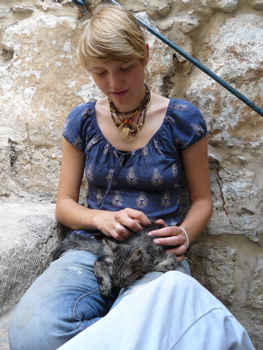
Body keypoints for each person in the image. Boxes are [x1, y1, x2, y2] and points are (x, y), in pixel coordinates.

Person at [8, 4, 255, 350]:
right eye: (100, 73)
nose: (113, 83)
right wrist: (102, 219)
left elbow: (202, 201)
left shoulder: (183, 119)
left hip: (155, 254)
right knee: (31, 335)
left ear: (145, 55)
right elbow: (64, 205)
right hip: (89, 249)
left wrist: (184, 233)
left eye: (124, 68)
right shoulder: (82, 121)